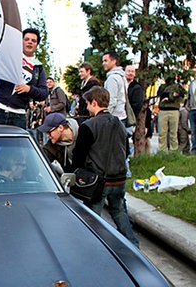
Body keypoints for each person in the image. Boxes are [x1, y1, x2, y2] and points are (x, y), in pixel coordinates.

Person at [72, 86, 139, 247]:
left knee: (92, 219)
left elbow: (79, 156)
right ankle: (133, 245)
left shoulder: (88, 126)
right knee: (119, 212)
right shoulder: (119, 123)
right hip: (119, 178)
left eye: (87, 104)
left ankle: (92, 247)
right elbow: (125, 149)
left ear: (94, 102)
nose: (86, 107)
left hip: (99, 181)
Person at [0, 28, 48, 129]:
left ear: (37, 45)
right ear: (21, 41)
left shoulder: (38, 68)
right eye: (26, 39)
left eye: (33, 40)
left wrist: (29, 89)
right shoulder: (8, 56)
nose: (30, 42)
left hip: (18, 115)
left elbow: (44, 92)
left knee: (16, 145)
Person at [157, 77, 185, 151]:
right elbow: (161, 94)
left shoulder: (177, 86)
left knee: (174, 133)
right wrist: (172, 95)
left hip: (174, 110)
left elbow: (181, 95)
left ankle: (173, 151)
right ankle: (161, 151)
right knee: (162, 133)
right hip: (163, 110)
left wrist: (169, 97)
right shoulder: (162, 86)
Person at [102, 51, 127, 122]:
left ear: (114, 61)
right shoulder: (121, 76)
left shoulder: (112, 78)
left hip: (114, 117)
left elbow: (112, 100)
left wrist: (105, 115)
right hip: (121, 116)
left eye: (106, 61)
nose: (103, 63)